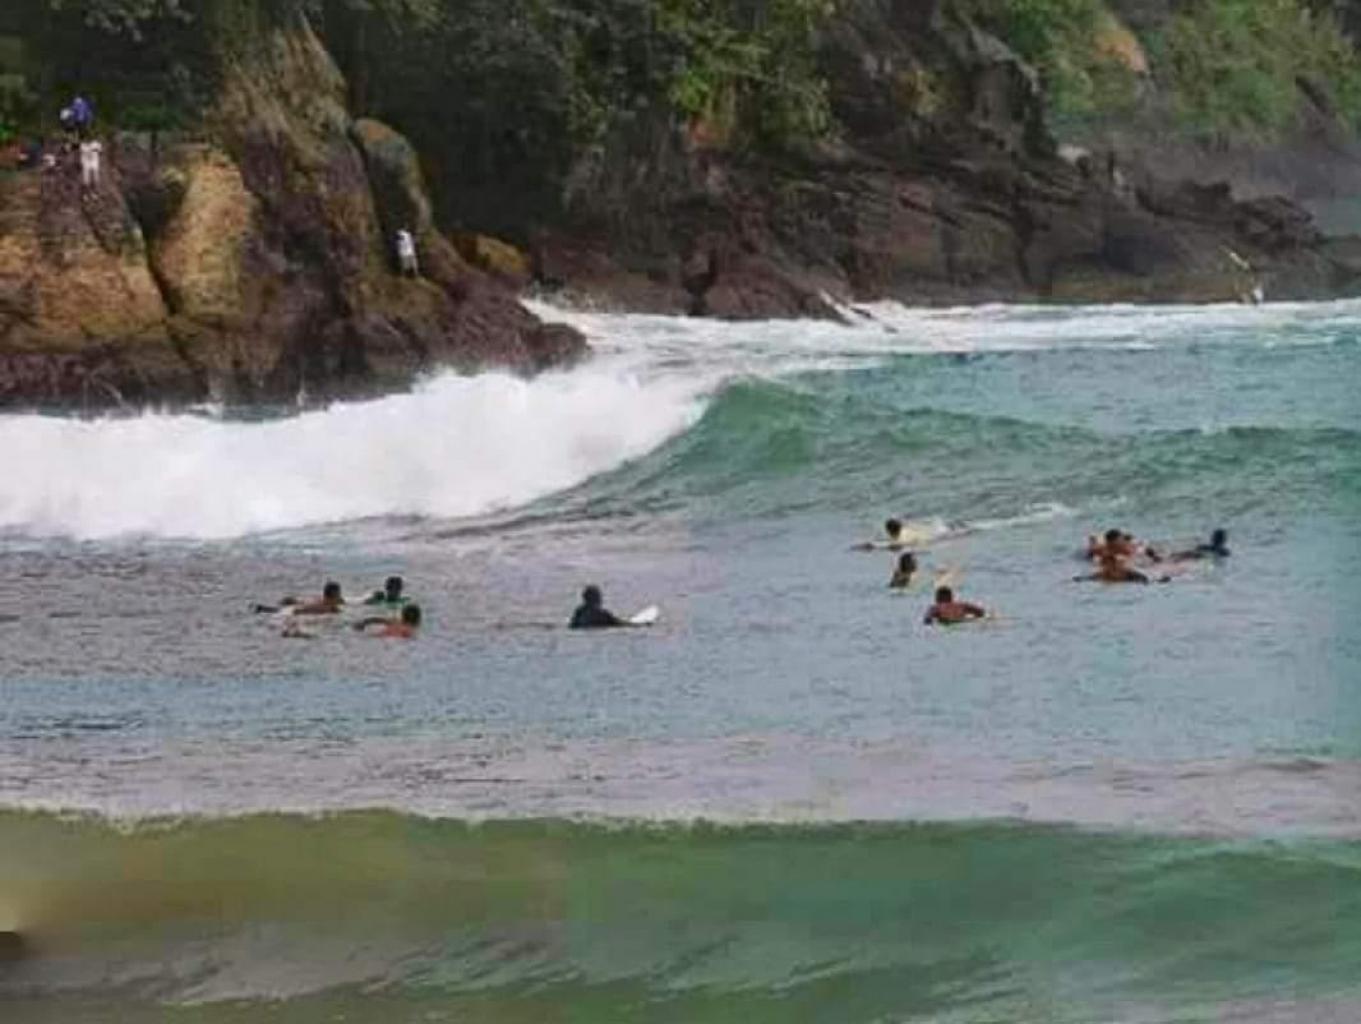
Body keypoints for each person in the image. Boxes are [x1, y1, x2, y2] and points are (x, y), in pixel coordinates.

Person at [1074, 551, 1152, 584]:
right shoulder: (1101, 574)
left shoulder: (1129, 573)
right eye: (1105, 564)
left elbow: (1145, 579)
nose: (1108, 566)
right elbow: (1086, 579)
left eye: (1111, 564)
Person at [356, 603, 422, 639]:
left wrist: (364, 622)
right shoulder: (411, 630)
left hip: (381, 636)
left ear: (402, 615)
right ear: (418, 619)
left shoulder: (394, 621)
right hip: (393, 640)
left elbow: (376, 619)